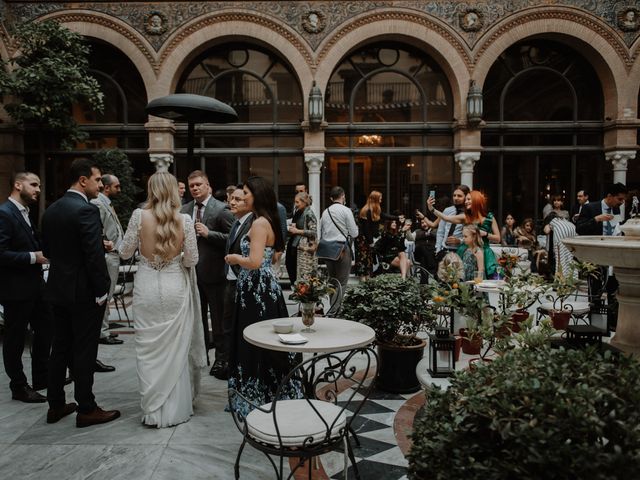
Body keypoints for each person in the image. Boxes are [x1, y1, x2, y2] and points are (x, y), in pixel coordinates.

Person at [119, 172, 206, 427]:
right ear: (173, 191)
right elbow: (192, 259)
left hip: (146, 287)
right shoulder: (185, 219)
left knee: (148, 349)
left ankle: (152, 411)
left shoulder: (138, 216)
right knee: (176, 348)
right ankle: (175, 409)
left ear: (151, 189)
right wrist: (174, 259)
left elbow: (125, 253)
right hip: (174, 287)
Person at [42, 158, 120, 428]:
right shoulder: (86, 210)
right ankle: (87, 408)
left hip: (57, 290)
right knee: (84, 351)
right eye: (98, 180)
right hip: (84, 293)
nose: (101, 184)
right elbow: (92, 256)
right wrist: (102, 290)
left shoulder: (52, 209)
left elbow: (50, 252)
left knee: (60, 348)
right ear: (83, 180)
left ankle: (56, 404)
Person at [225, 176, 301, 415]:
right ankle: (269, 391)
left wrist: (235, 258)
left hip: (255, 288)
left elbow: (255, 262)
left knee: (254, 341)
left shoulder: (258, 224)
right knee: (263, 341)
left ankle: (256, 395)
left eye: (245, 193)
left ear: (257, 195)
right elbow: (274, 256)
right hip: (262, 287)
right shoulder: (267, 220)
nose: (241, 196)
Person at [0, 172, 52, 402]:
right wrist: (34, 257)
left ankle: (42, 375)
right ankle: (18, 386)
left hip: (35, 284)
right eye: (34, 185)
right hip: (15, 287)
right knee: (15, 338)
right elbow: (1, 254)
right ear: (17, 184)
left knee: (47, 327)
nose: (38, 189)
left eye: (39, 185)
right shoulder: (4, 213)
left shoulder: (25, 212)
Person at [181, 170, 234, 378]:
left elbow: (233, 238)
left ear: (207, 185)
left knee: (219, 322)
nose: (194, 188)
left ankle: (222, 360)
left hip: (216, 275)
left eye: (198, 185)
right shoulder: (184, 210)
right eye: (191, 185)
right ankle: (201, 357)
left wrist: (208, 234)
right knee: (197, 320)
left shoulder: (221, 209)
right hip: (191, 274)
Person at [576, 182, 627, 330]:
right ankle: (596, 326)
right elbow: (579, 228)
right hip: (596, 257)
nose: (622, 202)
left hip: (614, 258)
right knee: (595, 292)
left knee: (614, 291)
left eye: (623, 200)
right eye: (619, 199)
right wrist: (596, 219)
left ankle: (612, 325)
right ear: (609, 196)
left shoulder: (616, 210)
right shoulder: (590, 208)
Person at [218, 186, 254, 381]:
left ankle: (239, 367)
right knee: (228, 326)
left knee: (239, 327)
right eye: (231, 199)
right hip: (230, 281)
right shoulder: (236, 223)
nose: (232, 202)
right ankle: (230, 365)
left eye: (238, 199)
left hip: (243, 281)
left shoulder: (252, 224)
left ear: (248, 203)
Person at [428, 190, 500, 278]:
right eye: (466, 200)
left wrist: (485, 234)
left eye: (469, 199)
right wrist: (432, 209)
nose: (466, 202)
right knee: (464, 277)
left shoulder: (490, 218)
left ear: (476, 200)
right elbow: (446, 218)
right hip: (467, 251)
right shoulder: (466, 217)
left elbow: (498, 238)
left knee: (486, 279)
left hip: (485, 252)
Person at [90, 174, 124, 346]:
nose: (119, 189)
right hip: (107, 255)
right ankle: (101, 333)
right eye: (116, 186)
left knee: (108, 294)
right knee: (105, 294)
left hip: (114, 254)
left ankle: (104, 328)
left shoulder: (105, 202)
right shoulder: (97, 203)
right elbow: (97, 229)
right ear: (106, 187)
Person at [319, 186, 359, 308]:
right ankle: (335, 313)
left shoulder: (325, 212)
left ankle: (332, 308)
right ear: (343, 196)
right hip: (342, 249)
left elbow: (320, 233)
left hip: (327, 250)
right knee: (341, 282)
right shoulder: (346, 211)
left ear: (331, 198)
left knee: (332, 281)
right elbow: (354, 233)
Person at [287, 192, 317, 282]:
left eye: (297, 202)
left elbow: (313, 232)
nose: (295, 205)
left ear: (304, 202)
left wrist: (297, 231)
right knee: (291, 269)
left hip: (304, 248)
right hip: (295, 245)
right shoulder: (298, 212)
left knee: (304, 274)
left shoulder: (309, 213)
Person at [354, 190, 384, 279]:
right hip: (363, 240)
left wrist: (397, 217)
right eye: (380, 198)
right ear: (376, 199)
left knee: (367, 261)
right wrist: (371, 242)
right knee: (363, 261)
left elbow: (384, 215)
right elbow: (366, 229)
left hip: (364, 239)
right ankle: (364, 282)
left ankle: (366, 281)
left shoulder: (373, 210)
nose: (381, 200)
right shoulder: (367, 211)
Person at [434, 185, 470, 256]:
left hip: (461, 251)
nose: (456, 198)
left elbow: (472, 235)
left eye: (459, 196)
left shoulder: (469, 213)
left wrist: (460, 241)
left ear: (466, 197)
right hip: (445, 250)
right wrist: (438, 250)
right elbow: (440, 232)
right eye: (454, 195)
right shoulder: (447, 210)